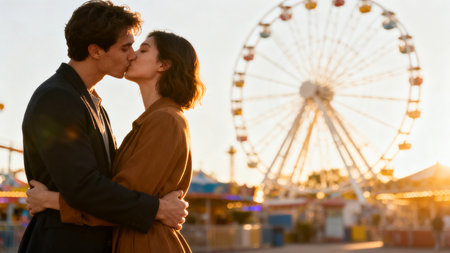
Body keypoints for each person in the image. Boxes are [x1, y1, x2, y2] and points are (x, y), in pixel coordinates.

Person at [19, 2, 188, 253]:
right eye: (125, 47)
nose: (132, 54)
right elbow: (84, 188)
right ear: (96, 51)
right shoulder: (57, 99)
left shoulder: (93, 103)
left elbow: (107, 184)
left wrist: (50, 200)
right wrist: (158, 209)